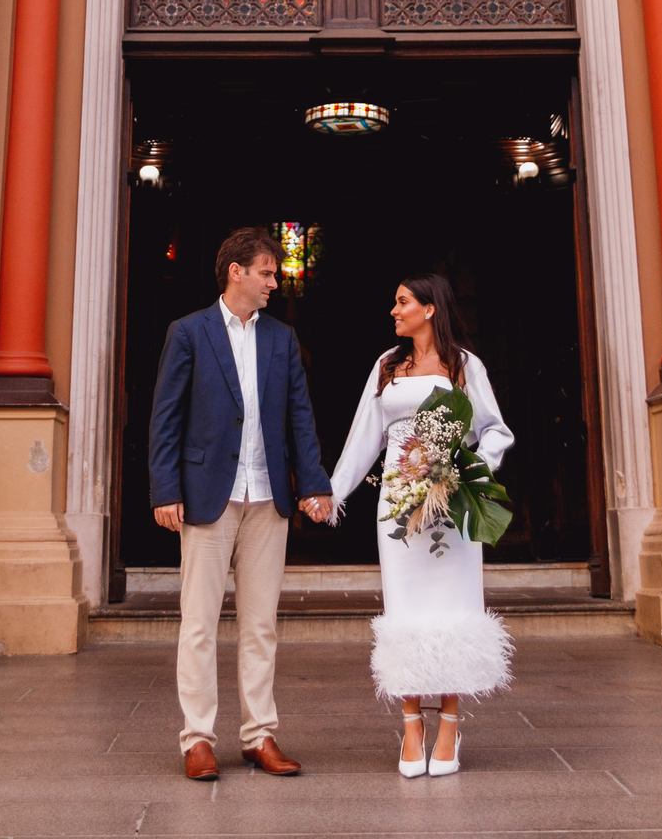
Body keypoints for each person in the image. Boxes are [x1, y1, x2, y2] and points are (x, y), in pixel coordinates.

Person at [149, 227, 334, 782]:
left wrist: (314, 483)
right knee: (199, 623)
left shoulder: (281, 338)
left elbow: (300, 415)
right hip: (209, 494)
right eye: (267, 273)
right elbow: (167, 417)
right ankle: (198, 738)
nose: (275, 282)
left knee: (261, 624)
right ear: (236, 272)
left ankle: (258, 736)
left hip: (267, 495)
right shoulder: (188, 332)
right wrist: (165, 489)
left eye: (274, 274)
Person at [326, 273, 513, 777]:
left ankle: (450, 722)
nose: (394, 310)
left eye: (402, 302)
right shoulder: (387, 365)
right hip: (397, 497)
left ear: (430, 309)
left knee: (452, 608)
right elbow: (364, 435)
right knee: (405, 609)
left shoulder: (463, 365)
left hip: (451, 500)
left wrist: (466, 471)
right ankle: (411, 724)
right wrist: (333, 492)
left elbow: (494, 429)